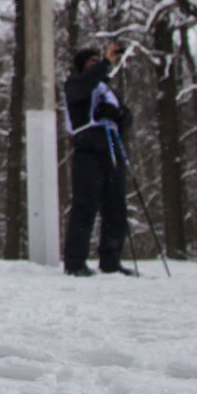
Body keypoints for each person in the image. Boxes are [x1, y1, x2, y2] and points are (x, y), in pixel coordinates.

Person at [63, 41, 131, 276]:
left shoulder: (107, 89)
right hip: (88, 148)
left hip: (111, 146)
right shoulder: (76, 83)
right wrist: (105, 62)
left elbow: (126, 118)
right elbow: (82, 88)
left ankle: (111, 260)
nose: (98, 66)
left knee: (115, 206)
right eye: (92, 62)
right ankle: (75, 262)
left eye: (98, 62)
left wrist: (118, 114)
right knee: (85, 205)